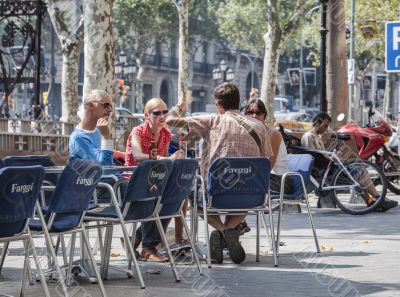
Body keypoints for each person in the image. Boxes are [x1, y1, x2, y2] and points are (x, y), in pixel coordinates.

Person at [167, 82, 273, 264]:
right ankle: (230, 230)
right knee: (244, 189)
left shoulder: (212, 121)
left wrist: (177, 108)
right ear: (239, 102)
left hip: (215, 194)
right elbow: (268, 160)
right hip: (253, 195)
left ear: (218, 105)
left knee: (191, 196)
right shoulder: (260, 127)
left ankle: (222, 230)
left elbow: (170, 122)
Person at [125, 98, 185, 261]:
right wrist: (164, 158)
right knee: (155, 197)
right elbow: (137, 156)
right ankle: (148, 248)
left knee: (177, 197)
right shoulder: (138, 131)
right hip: (133, 181)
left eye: (165, 112)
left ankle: (137, 240)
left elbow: (165, 161)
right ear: (147, 116)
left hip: (156, 180)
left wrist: (174, 159)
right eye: (157, 113)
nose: (162, 116)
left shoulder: (165, 133)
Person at [301, 112, 398, 212]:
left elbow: (320, 155)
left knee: (358, 172)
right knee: (360, 172)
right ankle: (379, 199)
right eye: (324, 126)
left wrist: (331, 156)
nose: (326, 129)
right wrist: (330, 158)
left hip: (327, 167)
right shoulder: (309, 136)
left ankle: (372, 201)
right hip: (324, 170)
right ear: (317, 123)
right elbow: (312, 157)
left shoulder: (317, 136)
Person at [243, 98, 294, 195]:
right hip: (261, 177)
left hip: (279, 181)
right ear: (245, 115)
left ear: (264, 116)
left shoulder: (273, 134)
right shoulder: (248, 134)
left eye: (258, 113)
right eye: (250, 112)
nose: (254, 116)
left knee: (241, 186)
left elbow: (267, 166)